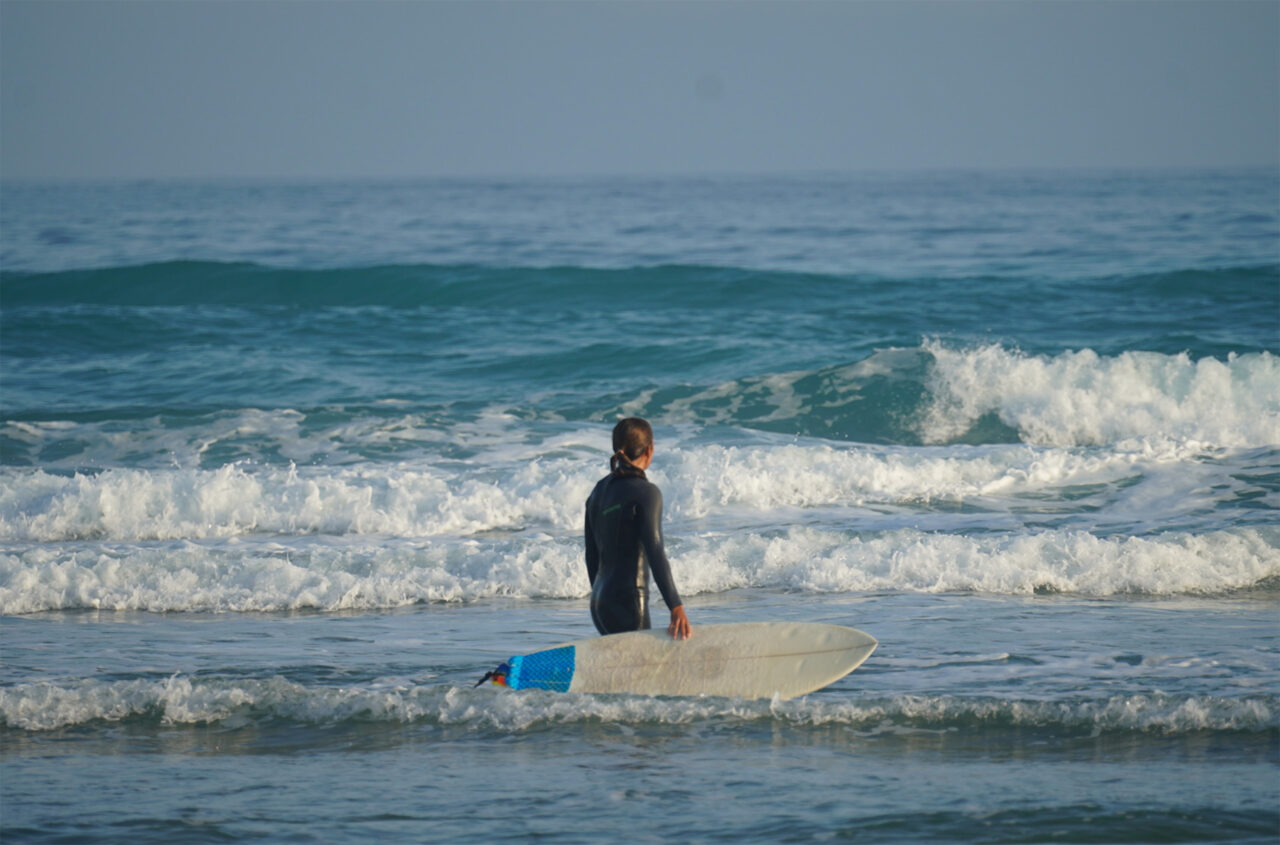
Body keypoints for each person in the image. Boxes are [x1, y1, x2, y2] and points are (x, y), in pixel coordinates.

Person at [584, 417, 692, 640]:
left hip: (599, 603)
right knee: (642, 673)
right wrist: (675, 606)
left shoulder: (598, 492)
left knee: (621, 673)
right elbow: (655, 551)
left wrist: (600, 596)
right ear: (650, 449)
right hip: (629, 602)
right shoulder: (646, 493)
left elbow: (591, 554)